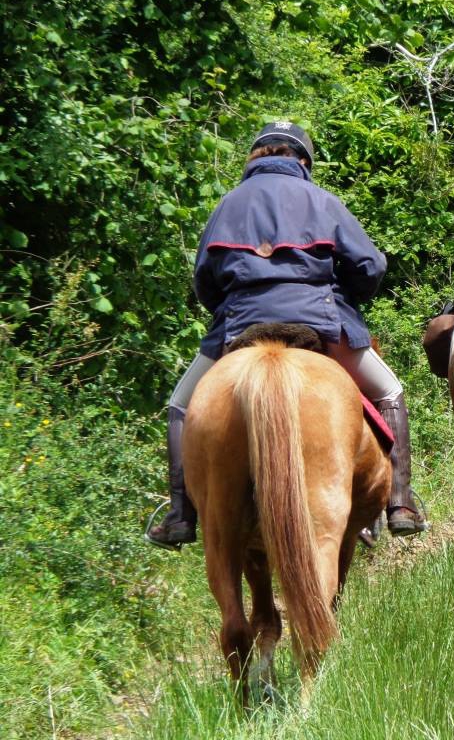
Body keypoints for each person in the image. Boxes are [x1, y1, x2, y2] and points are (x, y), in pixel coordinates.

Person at [145, 121, 427, 550]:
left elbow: (204, 280)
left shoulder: (228, 205)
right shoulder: (323, 200)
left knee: (181, 404)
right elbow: (370, 266)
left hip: (241, 325)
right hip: (319, 323)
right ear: (303, 160)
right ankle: (400, 505)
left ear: (256, 157)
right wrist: (346, 295)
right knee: (389, 391)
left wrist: (234, 305)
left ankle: (181, 515)